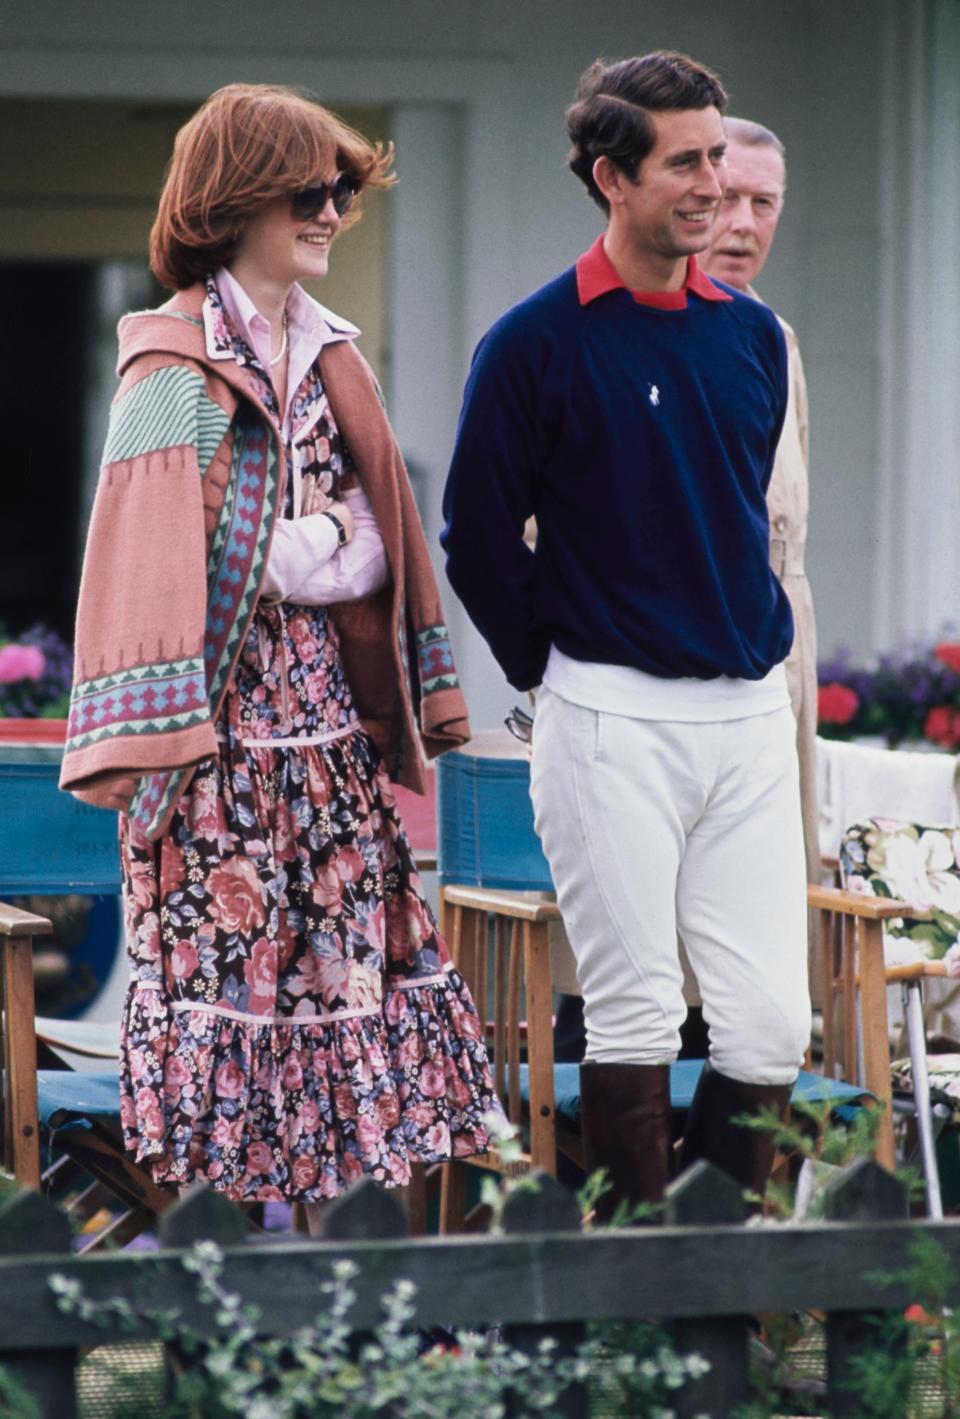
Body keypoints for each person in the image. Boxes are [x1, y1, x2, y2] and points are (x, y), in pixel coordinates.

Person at [60, 83, 500, 1215]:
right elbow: (174, 564)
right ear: (237, 196)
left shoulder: (338, 360)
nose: (334, 211)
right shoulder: (169, 371)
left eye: (345, 190)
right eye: (311, 189)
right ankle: (204, 1335)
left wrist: (303, 547)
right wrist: (312, 541)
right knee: (225, 1042)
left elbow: (378, 548)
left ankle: (336, 1328)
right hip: (212, 767)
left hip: (329, 761)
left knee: (344, 1027)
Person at [441, 52, 811, 1219]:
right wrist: (554, 666)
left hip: (748, 713)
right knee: (641, 1008)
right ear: (613, 176)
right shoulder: (533, 343)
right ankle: (642, 1321)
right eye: (687, 162)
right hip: (607, 716)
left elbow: (742, 512)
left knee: (767, 1024)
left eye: (722, 156)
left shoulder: (752, 335)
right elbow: (477, 537)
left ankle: (689, 1283)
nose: (718, 186)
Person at [700, 117, 820, 895]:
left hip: (779, 660)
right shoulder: (609, 330)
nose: (744, 224)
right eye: (726, 198)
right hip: (660, 677)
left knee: (763, 935)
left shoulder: (775, 339)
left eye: (764, 203)